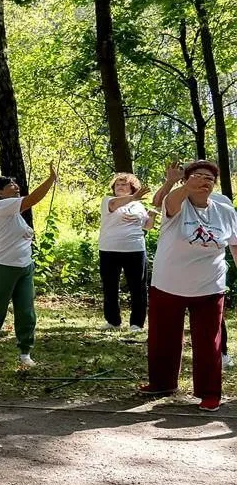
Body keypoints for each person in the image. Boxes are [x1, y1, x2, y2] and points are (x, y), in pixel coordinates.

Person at [140, 160, 235, 411]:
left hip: (209, 286)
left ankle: (209, 392)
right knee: (163, 336)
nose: (205, 181)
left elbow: (234, 243)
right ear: (186, 181)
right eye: (198, 176)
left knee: (208, 341)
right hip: (168, 282)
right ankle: (161, 383)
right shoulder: (178, 205)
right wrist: (178, 182)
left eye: (210, 178)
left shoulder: (225, 210)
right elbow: (166, 202)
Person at [0, 163, 59, 368]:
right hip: (1, 267)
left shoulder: (15, 214)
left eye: (16, 183)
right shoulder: (1, 206)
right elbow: (33, 199)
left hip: (24, 267)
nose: (15, 186)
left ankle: (25, 353)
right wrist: (50, 180)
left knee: (26, 310)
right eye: (10, 185)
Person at [98, 173, 155, 334]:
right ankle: (113, 321)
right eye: (117, 185)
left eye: (124, 184)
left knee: (138, 287)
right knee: (110, 286)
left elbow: (147, 227)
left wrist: (151, 215)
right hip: (109, 249)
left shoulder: (138, 206)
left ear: (132, 187)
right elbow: (115, 204)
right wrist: (133, 197)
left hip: (135, 249)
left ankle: (137, 323)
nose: (120, 187)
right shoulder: (107, 201)